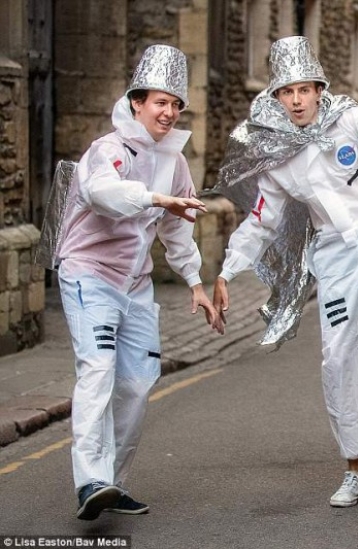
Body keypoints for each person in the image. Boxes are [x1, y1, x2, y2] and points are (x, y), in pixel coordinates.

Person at [212, 36, 358, 508]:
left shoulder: (351, 120)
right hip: (333, 252)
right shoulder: (278, 161)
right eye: (286, 93)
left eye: (303, 90)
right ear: (276, 98)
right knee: (334, 358)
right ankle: (354, 469)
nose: (296, 100)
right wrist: (227, 271)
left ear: (318, 90)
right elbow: (261, 221)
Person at [50, 45, 222, 520]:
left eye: (175, 104)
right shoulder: (107, 151)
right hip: (89, 275)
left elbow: (178, 228)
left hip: (136, 285)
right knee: (99, 371)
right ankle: (90, 479)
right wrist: (153, 198)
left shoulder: (174, 161)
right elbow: (101, 195)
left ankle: (112, 484)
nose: (168, 112)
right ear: (135, 104)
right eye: (158, 102)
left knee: (138, 383)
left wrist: (195, 284)